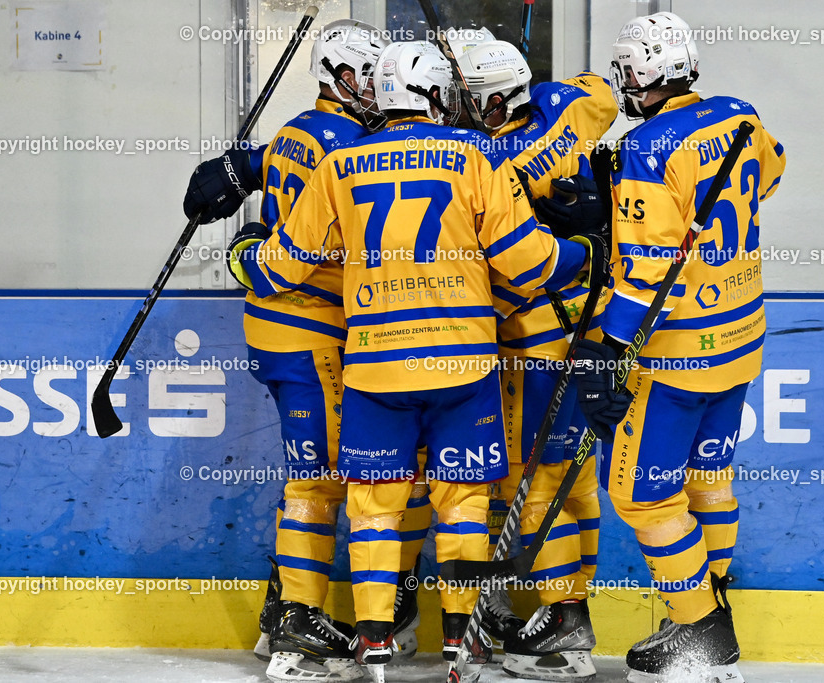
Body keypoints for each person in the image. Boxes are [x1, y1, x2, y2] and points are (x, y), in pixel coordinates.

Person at [225, 39, 599, 683]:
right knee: (462, 501)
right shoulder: (471, 159)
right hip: (464, 367)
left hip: (373, 369)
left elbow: (283, 265)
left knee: (373, 505)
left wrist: (244, 256)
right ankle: (462, 640)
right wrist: (586, 249)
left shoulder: (341, 165)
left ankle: (375, 640)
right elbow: (532, 263)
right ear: (435, 97)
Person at [184, 20, 427, 682]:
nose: (379, 91)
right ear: (342, 77)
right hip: (313, 331)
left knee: (313, 477)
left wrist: (239, 166)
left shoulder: (298, 129)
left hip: (275, 330)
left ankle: (281, 612)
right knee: (321, 483)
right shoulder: (355, 148)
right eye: (369, 78)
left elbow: (268, 164)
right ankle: (299, 630)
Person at [573, 11, 786, 683]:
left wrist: (608, 347)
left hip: (678, 354)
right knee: (709, 480)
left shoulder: (645, 148)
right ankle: (707, 606)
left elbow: (644, 267)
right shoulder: (740, 117)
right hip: (741, 336)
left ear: (643, 72)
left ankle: (699, 630)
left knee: (640, 493)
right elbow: (773, 175)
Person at [452, 36, 618, 681]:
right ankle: (568, 618)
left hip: (540, 335)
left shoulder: (481, 158)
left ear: (493, 101)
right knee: (577, 477)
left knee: (539, 477)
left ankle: (564, 621)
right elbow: (602, 92)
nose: (458, 110)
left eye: (468, 99)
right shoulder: (567, 104)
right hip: (596, 320)